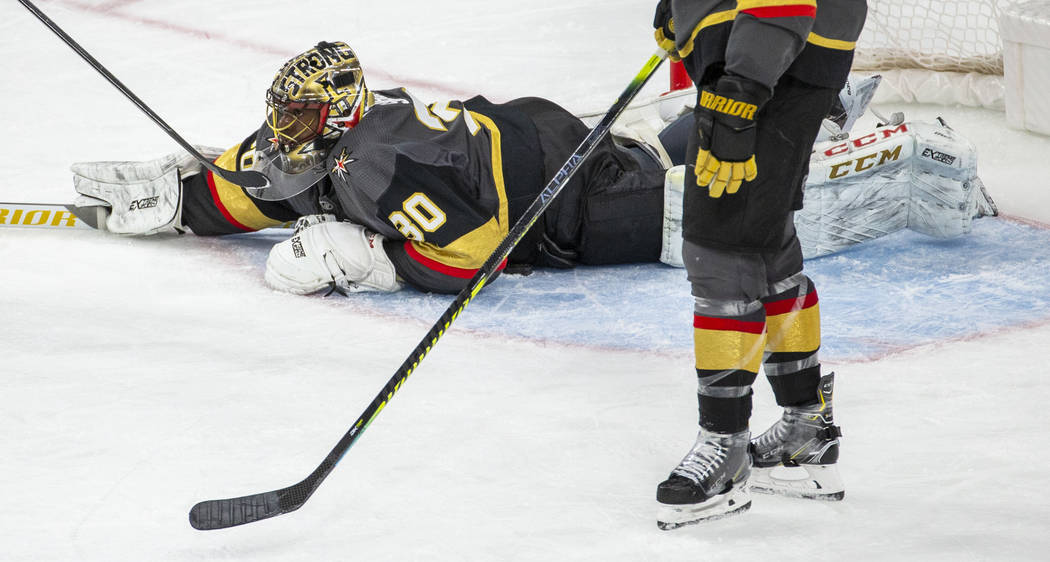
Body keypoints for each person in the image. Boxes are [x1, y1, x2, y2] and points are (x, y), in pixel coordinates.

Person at [649, 0, 868, 529]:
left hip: (767, 62)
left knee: (719, 252)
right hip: (780, 56)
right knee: (766, 248)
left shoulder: (756, 65)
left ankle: (725, 449)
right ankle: (805, 429)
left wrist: (740, 93)